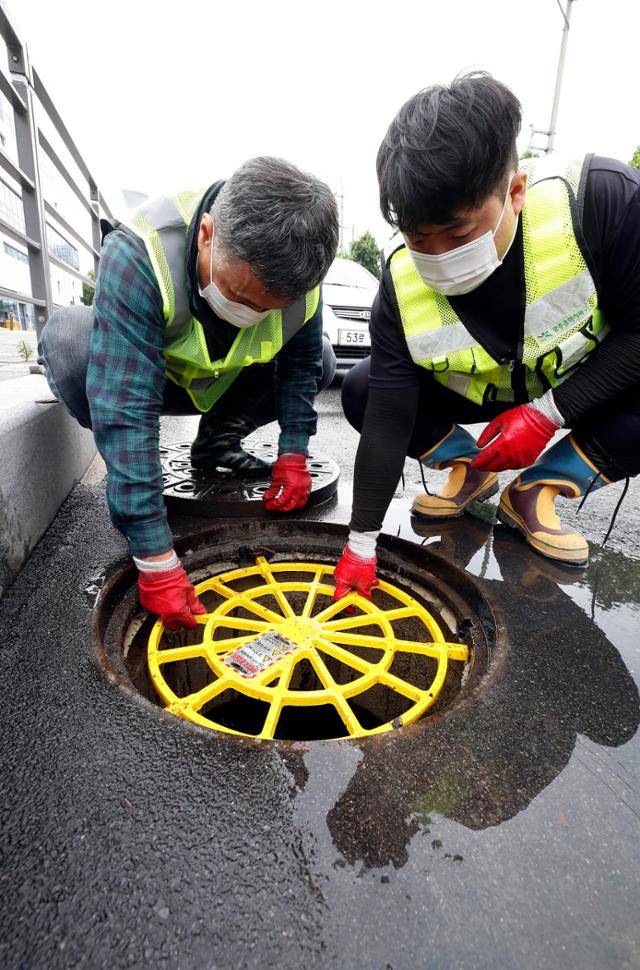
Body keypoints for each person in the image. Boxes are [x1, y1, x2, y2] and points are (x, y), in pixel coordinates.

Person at [334, 72, 640, 600]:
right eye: (418, 237)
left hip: (578, 379)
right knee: (363, 387)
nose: (438, 255)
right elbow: (387, 416)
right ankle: (471, 471)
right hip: (483, 395)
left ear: (515, 192)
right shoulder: (400, 283)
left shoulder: (602, 203)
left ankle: (537, 488)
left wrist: (549, 413)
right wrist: (361, 544)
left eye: (459, 233)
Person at [39, 157, 338, 629]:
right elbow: (125, 405)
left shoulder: (301, 282)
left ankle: (218, 439)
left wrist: (294, 452)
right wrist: (153, 554)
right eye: (240, 297)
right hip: (147, 380)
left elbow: (301, 368)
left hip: (227, 382)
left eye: (268, 309)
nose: (251, 314)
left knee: (322, 357)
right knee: (72, 345)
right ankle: (132, 472)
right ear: (206, 234)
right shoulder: (141, 253)